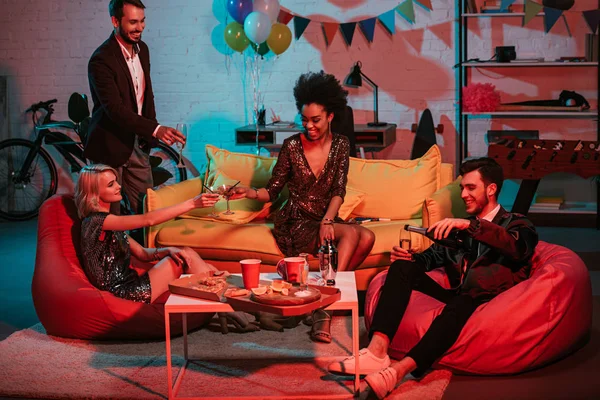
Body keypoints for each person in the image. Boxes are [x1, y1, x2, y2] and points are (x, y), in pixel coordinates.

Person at [328, 157, 539, 399]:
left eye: (471, 188)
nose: (463, 195)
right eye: (462, 188)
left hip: (486, 301)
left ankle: (398, 371)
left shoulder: (518, 223)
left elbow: (516, 248)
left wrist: (471, 227)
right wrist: (410, 258)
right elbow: (430, 259)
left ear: (491, 189)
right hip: (457, 295)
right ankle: (377, 350)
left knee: (464, 301)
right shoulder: (463, 229)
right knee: (401, 268)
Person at [238, 71, 376, 342]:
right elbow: (272, 190)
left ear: (330, 116)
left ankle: (316, 304)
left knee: (368, 236)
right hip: (296, 221)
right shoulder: (291, 147)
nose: (309, 126)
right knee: (350, 234)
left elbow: (339, 190)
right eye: (305, 120)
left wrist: (327, 220)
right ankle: (326, 309)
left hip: (324, 219)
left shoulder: (341, 145)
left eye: (316, 120)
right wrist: (249, 192)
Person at [85, 0, 185, 215]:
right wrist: (156, 128)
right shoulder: (101, 60)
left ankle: (145, 250)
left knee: (147, 211)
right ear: (115, 21)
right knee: (109, 216)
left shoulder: (143, 50)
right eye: (132, 22)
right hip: (109, 148)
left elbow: (146, 97)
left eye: (142, 21)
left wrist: (151, 134)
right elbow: (115, 109)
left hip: (138, 146)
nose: (139, 28)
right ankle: (113, 250)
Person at [75, 164, 221, 304]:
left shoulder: (110, 222)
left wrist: (168, 249)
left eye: (116, 182)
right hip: (123, 292)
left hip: (132, 283)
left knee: (199, 263)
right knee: (185, 257)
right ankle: (225, 304)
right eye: (111, 184)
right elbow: (149, 220)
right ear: (94, 193)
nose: (119, 186)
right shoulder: (95, 221)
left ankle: (223, 303)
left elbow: (143, 253)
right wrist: (192, 204)